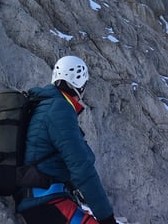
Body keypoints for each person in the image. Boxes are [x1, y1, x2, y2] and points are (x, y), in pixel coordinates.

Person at [17, 56, 116, 224]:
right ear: (81, 85)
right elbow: (81, 167)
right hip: (44, 203)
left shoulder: (45, 104)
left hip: (39, 199)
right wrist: (107, 218)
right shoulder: (60, 109)